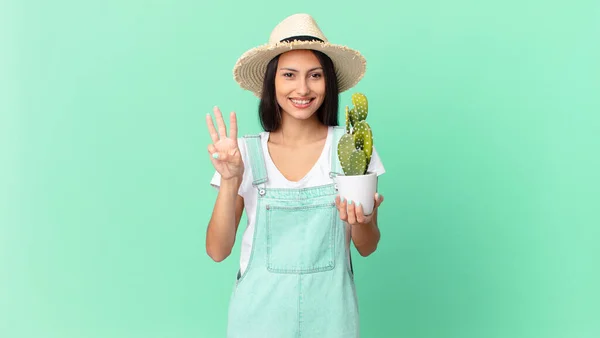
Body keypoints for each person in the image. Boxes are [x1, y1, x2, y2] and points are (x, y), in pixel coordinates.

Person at [205, 13, 385, 338]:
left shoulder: (353, 146)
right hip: (258, 319)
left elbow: (368, 246)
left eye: (314, 75)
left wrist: (362, 220)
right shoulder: (245, 154)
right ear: (271, 81)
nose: (302, 88)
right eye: (289, 75)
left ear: (328, 81)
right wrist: (230, 180)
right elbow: (218, 250)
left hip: (332, 320)